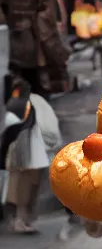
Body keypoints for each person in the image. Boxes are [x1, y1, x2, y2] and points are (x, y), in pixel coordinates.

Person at [8, 0, 70, 96]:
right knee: (39, 87)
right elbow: (46, 20)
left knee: (20, 86)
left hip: (16, 38)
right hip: (36, 41)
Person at [2, 77, 62, 234]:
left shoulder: (23, 102)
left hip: (27, 146)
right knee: (25, 181)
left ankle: (20, 219)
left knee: (21, 181)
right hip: (30, 146)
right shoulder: (34, 102)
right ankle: (21, 219)